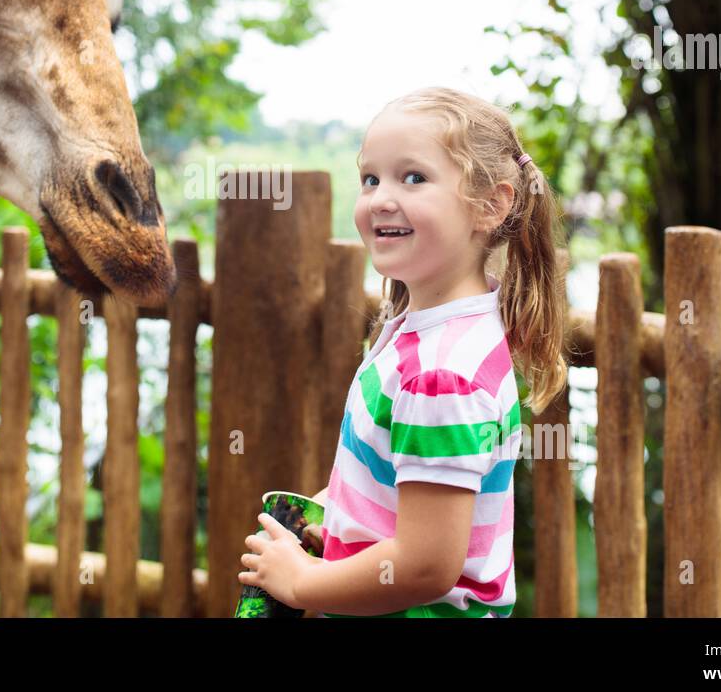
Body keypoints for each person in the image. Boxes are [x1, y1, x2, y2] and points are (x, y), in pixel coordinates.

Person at [238, 86, 569, 617]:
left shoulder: (441, 376)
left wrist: (302, 584)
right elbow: (405, 481)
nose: (381, 197)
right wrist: (334, 511)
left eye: (413, 177)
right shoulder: (447, 326)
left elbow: (424, 564)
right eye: (370, 178)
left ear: (491, 205)